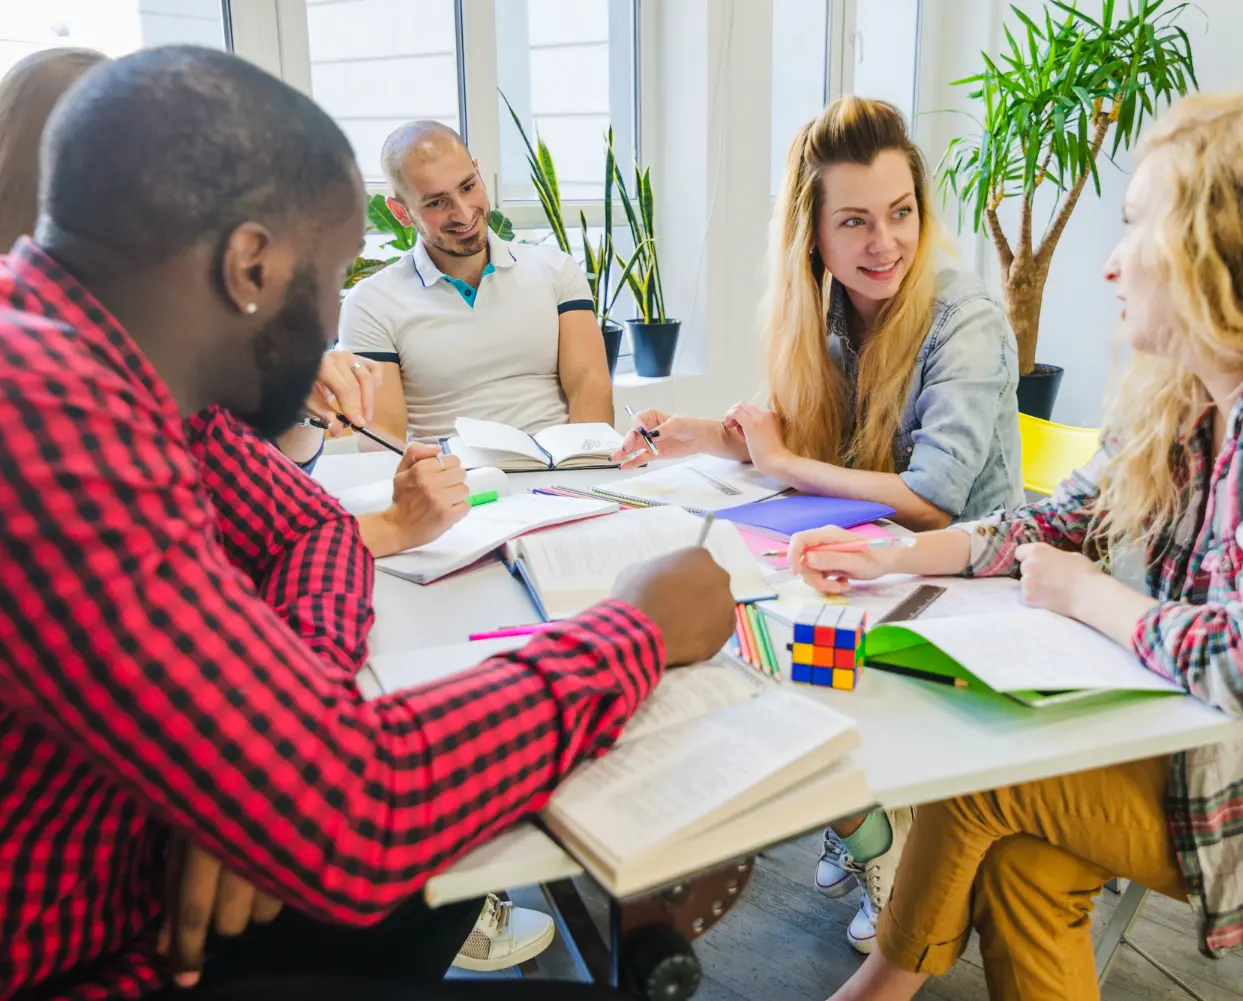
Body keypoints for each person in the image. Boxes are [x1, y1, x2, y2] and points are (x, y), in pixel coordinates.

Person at [0, 45, 735, 1000]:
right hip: (98, 964)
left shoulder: (133, 371)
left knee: (437, 882)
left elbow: (309, 530)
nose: (334, 331)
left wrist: (263, 756)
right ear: (248, 266)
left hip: (154, 875)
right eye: (335, 278)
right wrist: (637, 628)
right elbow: (364, 805)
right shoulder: (52, 427)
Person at [786, 92, 1243, 1001]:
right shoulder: (1193, 385)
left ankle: (879, 986)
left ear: (1219, 246)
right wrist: (895, 557)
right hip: (1238, 744)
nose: (1113, 266)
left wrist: (1086, 595)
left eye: (1135, 228)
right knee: (1024, 865)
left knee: (989, 779)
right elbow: (1057, 521)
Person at [612, 96, 1025, 951]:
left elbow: (934, 494)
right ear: (814, 237)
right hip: (885, 565)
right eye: (857, 221)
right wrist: (701, 436)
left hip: (976, 578)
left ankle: (889, 843)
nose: (887, 243)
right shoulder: (834, 312)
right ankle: (869, 818)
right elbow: (813, 446)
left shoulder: (965, 318)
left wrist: (783, 465)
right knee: (743, 626)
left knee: (787, 646)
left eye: (903, 213)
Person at [0, 47, 467, 560]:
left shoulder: (140, 333)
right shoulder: (67, 386)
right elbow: (249, 557)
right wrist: (380, 529)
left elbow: (271, 513)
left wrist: (296, 407)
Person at [339, 120, 613, 442]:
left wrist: (584, 474)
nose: (464, 213)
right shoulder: (371, 304)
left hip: (560, 475)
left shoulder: (556, 270)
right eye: (436, 202)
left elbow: (589, 387)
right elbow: (385, 441)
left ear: (479, 173)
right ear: (401, 212)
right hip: (454, 484)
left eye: (468, 187)